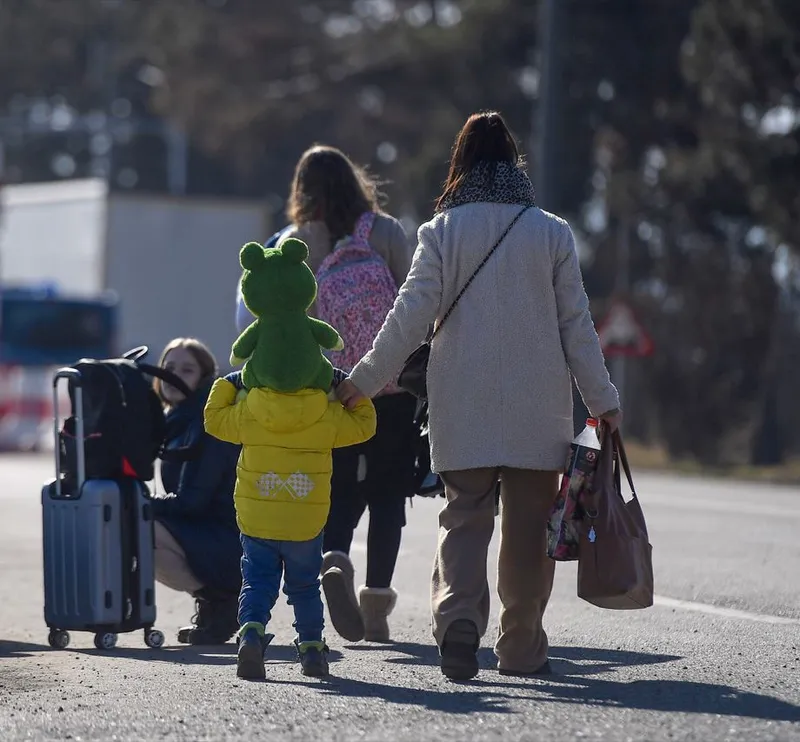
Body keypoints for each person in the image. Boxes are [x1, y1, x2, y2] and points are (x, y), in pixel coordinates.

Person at [337, 111, 622, 680]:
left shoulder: (441, 233)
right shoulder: (552, 232)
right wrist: (603, 401)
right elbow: (577, 327)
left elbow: (407, 320)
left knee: (464, 516)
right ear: (515, 163)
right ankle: (519, 646)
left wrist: (361, 383)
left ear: (460, 165)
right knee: (528, 528)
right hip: (538, 409)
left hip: (461, 402)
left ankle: (459, 622)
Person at [237, 144, 417, 644]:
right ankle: (377, 603)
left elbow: (270, 319)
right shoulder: (385, 232)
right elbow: (413, 301)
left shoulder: (295, 241)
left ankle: (335, 555)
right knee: (387, 496)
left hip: (328, 388)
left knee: (334, 484)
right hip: (391, 386)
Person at [205, 236, 377, 680]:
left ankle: (250, 635)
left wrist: (231, 381)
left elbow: (212, 419)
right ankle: (313, 647)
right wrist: (344, 390)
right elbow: (365, 426)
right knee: (304, 585)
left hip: (256, 516)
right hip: (306, 517)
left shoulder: (247, 411)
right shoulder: (325, 414)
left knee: (257, 582)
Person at [151, 337, 242, 645]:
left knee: (138, 529)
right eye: (169, 368)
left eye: (186, 370)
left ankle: (222, 600)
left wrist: (141, 503)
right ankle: (213, 604)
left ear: (203, 378)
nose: (174, 376)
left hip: (231, 541)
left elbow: (192, 502)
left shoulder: (208, 421)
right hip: (208, 530)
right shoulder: (177, 419)